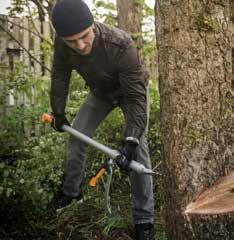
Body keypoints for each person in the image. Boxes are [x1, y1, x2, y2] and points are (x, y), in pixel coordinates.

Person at [50, 0, 154, 239]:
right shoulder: (63, 44)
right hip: (100, 93)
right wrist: (58, 111)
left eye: (84, 36)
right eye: (72, 41)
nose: (80, 45)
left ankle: (144, 219)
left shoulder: (120, 43)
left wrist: (130, 140)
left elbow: (137, 98)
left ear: (92, 25)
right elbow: (59, 75)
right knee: (77, 137)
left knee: (139, 150)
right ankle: (73, 193)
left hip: (130, 93)